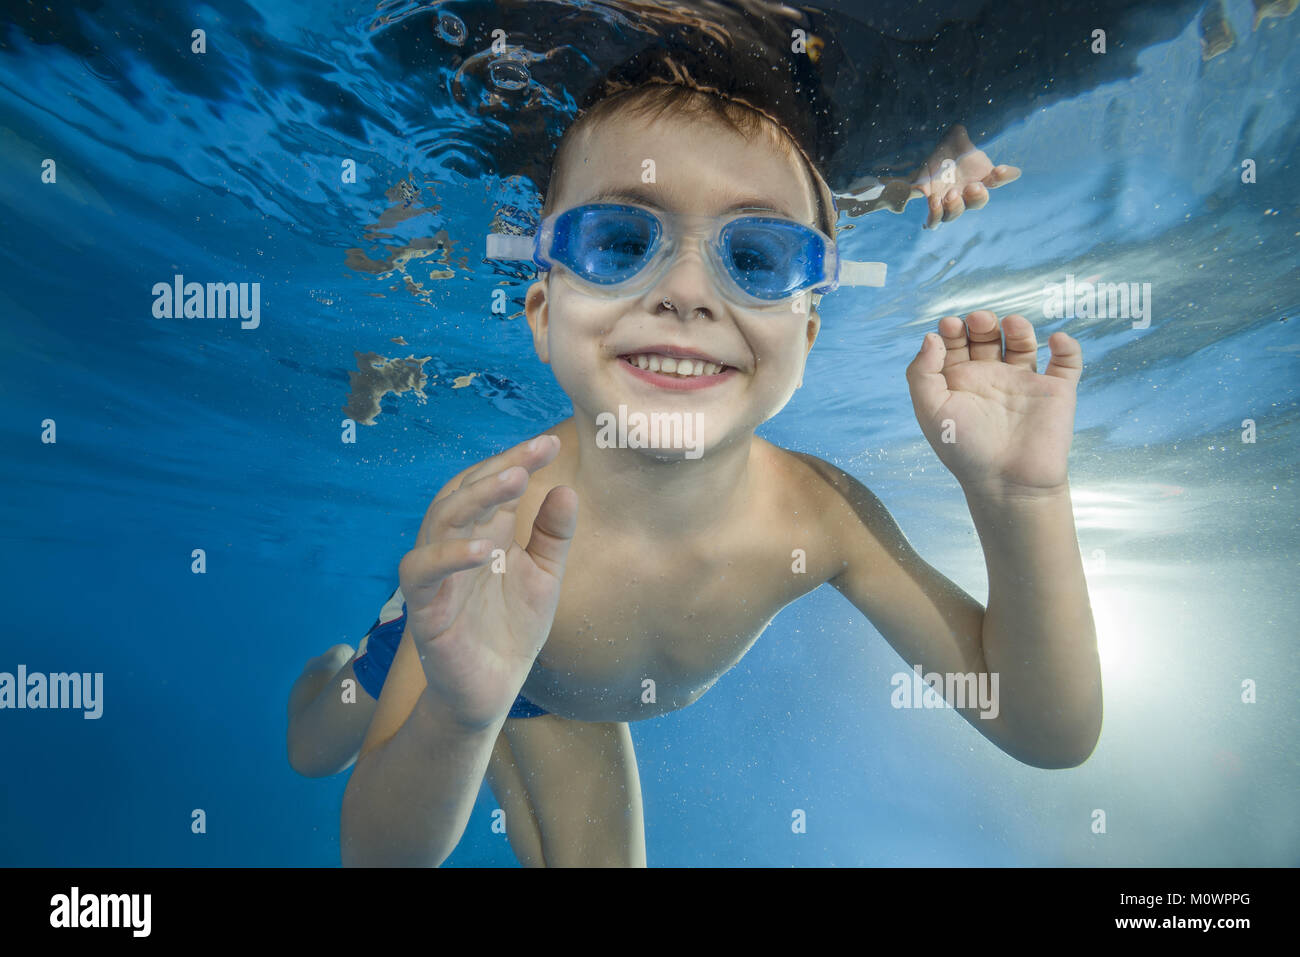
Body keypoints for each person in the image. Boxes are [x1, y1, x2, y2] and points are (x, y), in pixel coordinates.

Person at [289, 77, 1098, 867]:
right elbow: (377, 854)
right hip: (464, 648)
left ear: (808, 338)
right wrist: (461, 714)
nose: (684, 292)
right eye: (618, 242)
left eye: (756, 255)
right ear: (541, 314)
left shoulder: (820, 517)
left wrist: (1019, 499)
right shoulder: (495, 527)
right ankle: (344, 670)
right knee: (315, 747)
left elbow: (1041, 729)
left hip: (565, 695)